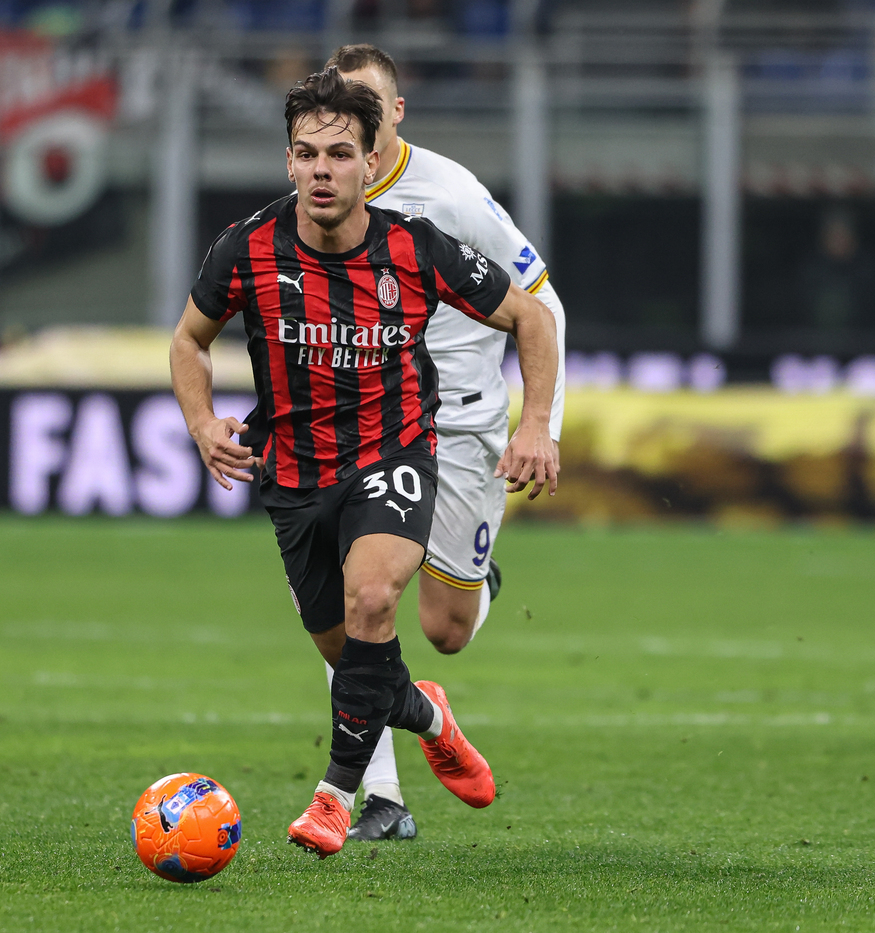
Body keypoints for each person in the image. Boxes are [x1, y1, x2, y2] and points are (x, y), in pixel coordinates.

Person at [169, 68, 560, 858]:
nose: (322, 169)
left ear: (369, 158)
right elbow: (188, 341)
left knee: (374, 595)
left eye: (339, 154)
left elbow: (531, 317)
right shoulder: (246, 247)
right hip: (294, 475)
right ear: (288, 162)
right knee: (354, 657)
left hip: (395, 456)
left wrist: (538, 424)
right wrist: (202, 420)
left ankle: (337, 797)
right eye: (307, 153)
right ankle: (427, 716)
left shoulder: (416, 247)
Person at [326, 43, 567, 842]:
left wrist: (538, 426)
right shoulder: (319, 188)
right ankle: (380, 797)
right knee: (351, 598)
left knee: (446, 630)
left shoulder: (453, 195)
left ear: (394, 114)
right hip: (365, 422)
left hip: (460, 424)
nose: (346, 126)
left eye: (366, 107)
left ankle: (476, 578)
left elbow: (543, 304)